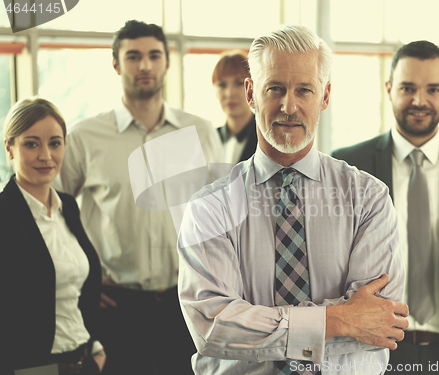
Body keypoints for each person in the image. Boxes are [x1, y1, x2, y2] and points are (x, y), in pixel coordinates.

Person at [177, 25, 409, 375]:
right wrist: (338, 319)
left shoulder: (370, 200)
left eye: (304, 90)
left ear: (325, 96)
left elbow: (376, 324)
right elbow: (215, 328)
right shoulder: (209, 209)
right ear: (251, 94)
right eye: (275, 89)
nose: (289, 105)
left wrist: (255, 325)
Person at [53, 20, 223, 375]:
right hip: (116, 306)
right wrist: (84, 281)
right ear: (116, 64)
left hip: (187, 302)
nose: (144, 65)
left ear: (166, 62)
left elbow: (219, 214)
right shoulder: (85, 137)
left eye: (153, 55)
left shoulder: (202, 132)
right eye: (133, 56)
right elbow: (54, 213)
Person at [331, 41, 439, 374]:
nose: (419, 101)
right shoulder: (349, 165)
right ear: (389, 88)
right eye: (407, 88)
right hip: (373, 350)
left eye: (433, 89)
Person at [0, 97, 104, 375]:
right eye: (31, 144)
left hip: (82, 359)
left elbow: (78, 290)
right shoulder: (3, 216)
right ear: (10, 149)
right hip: (31, 366)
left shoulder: (68, 206)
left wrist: (94, 345)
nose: (46, 155)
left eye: (55, 143)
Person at [213, 50, 258, 164]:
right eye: (222, 85)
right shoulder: (210, 138)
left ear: (252, 88)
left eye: (239, 83)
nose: (229, 93)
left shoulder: (267, 138)